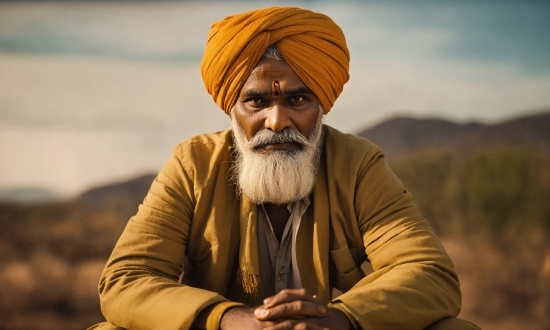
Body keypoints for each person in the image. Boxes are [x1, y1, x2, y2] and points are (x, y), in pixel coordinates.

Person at [89, 6, 480, 330]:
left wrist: (339, 319)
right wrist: (229, 320)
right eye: (257, 102)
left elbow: (430, 274)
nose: (277, 121)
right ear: (232, 110)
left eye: (298, 100)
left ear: (321, 107)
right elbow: (125, 280)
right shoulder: (192, 165)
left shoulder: (358, 164)